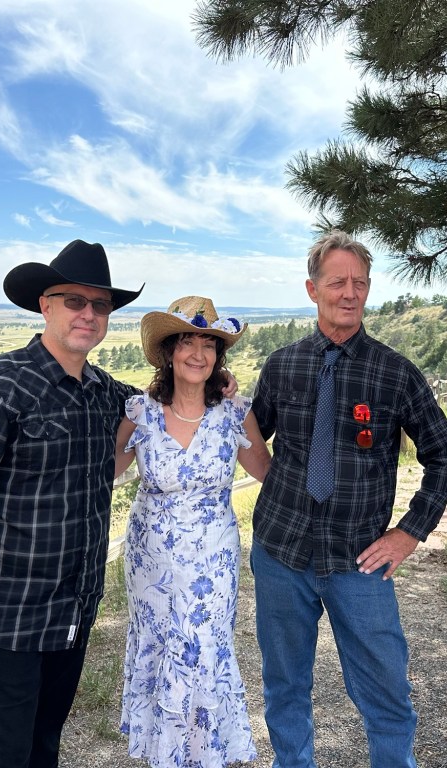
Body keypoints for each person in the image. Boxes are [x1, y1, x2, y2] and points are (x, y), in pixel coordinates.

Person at [0, 239, 145, 768]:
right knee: (2, 754)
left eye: (101, 305)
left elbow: (153, 408)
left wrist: (211, 380)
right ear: (45, 305)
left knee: (45, 744)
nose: (88, 314)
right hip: (7, 616)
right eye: (75, 301)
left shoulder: (104, 392)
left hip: (74, 609)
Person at [250, 230, 447, 768]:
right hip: (280, 554)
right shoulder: (281, 365)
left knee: (386, 692)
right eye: (337, 282)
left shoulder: (395, 373)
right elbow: (253, 435)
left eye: (359, 283)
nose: (349, 293)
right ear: (312, 289)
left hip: (359, 560)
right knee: (284, 686)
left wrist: (409, 533)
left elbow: (446, 457)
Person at [114, 296, 271, 768]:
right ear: (168, 352)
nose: (198, 353)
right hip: (150, 562)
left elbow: (270, 474)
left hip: (212, 562)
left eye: (208, 344)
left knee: (203, 648)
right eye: (187, 341)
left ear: (218, 356)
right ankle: (165, 755)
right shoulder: (140, 412)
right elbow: (101, 471)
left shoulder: (235, 413)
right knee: (160, 645)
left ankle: (204, 756)